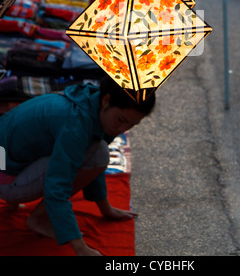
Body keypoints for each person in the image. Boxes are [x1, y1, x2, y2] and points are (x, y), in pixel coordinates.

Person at [0, 75, 156, 256]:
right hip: (5, 181)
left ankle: (16, 201)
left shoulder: (88, 99)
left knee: (96, 151)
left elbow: (93, 152)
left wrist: (106, 209)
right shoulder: (76, 123)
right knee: (97, 153)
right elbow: (57, 186)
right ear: (106, 100)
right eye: (121, 120)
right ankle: (39, 218)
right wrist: (81, 248)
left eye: (132, 124)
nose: (123, 129)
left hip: (7, 165)